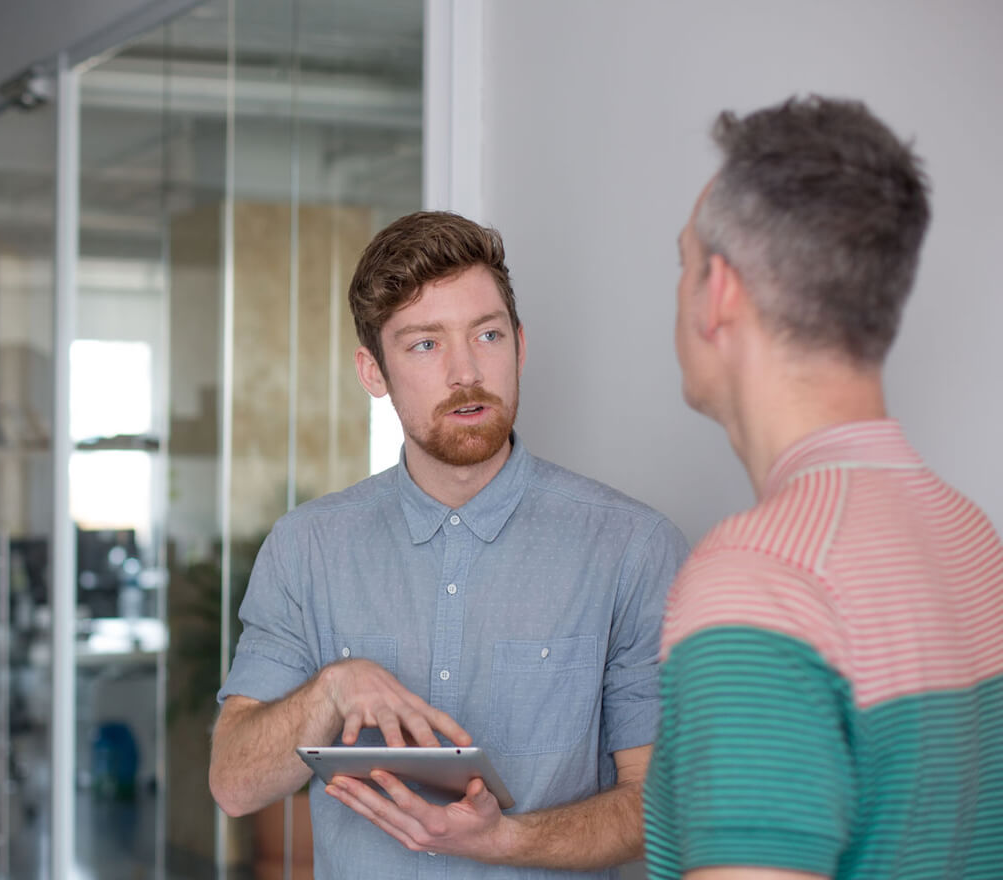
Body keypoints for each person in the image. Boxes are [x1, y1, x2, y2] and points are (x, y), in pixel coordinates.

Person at [209, 210, 689, 878]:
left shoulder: (634, 548)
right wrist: (330, 694)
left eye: (486, 334)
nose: (466, 371)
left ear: (519, 345)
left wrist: (505, 841)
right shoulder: (305, 549)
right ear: (372, 370)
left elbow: (658, 805)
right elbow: (234, 783)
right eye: (424, 345)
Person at [645, 95, 1003, 879]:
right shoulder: (973, 539)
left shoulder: (757, 579)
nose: (679, 288)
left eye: (684, 262)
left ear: (720, 294)